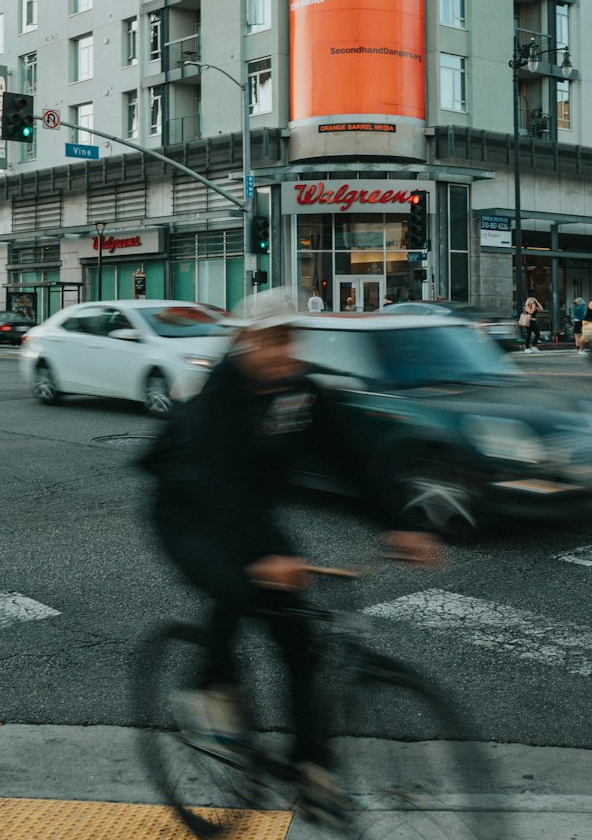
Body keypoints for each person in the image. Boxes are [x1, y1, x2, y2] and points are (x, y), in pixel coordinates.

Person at [139, 309, 439, 822]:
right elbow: (214, 481)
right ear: (246, 345)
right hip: (188, 510)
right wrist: (263, 558)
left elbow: (354, 455)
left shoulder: (300, 389)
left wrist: (399, 522)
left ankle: (311, 767)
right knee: (238, 583)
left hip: (248, 512)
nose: (282, 353)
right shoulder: (222, 395)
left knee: (299, 643)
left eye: (288, 341)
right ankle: (205, 690)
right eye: (269, 342)